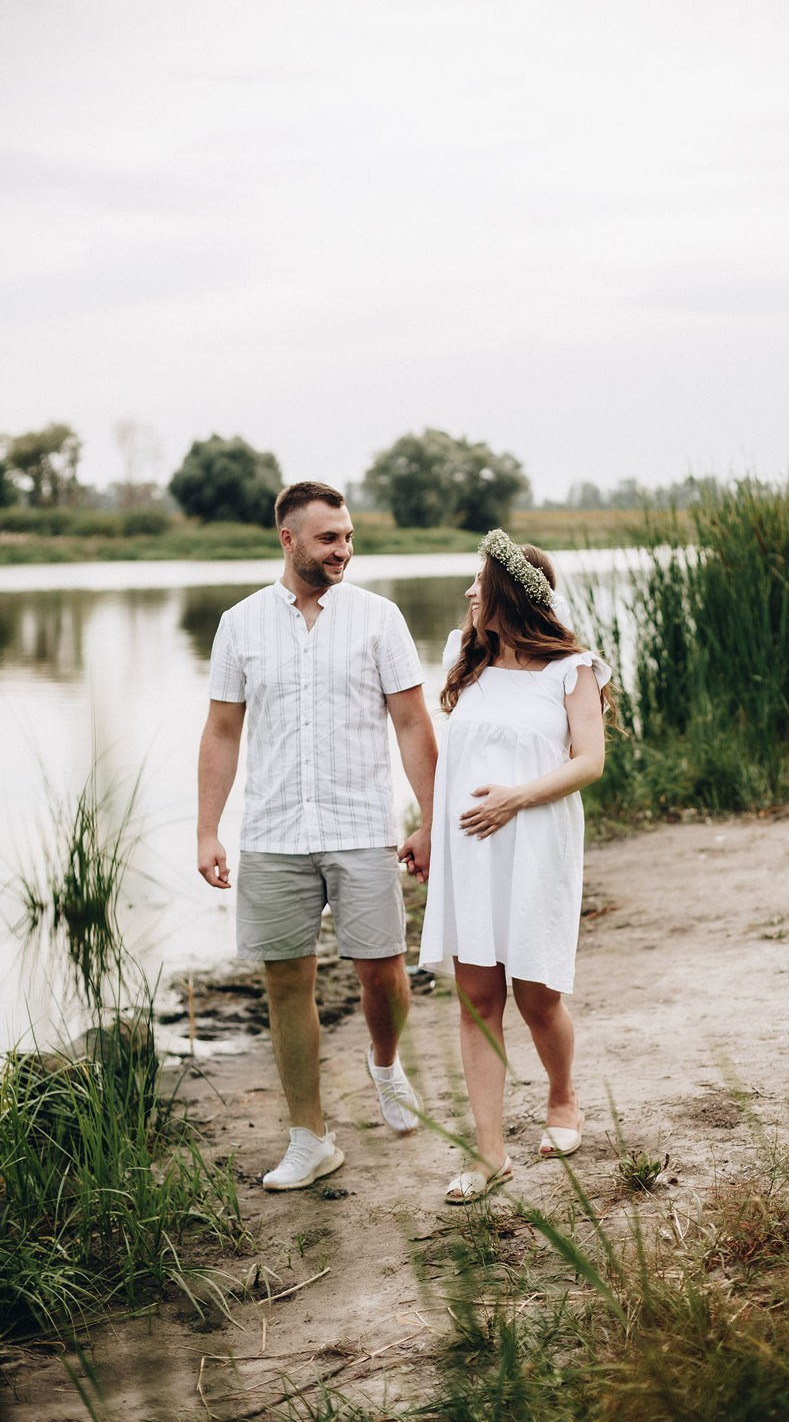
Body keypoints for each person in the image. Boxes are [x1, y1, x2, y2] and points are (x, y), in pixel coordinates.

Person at [197, 481, 437, 1191]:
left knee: (382, 969)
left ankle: (385, 1063)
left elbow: (414, 723)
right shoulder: (239, 624)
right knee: (284, 983)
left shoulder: (379, 619)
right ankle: (310, 1137)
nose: (344, 549)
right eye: (330, 538)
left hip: (360, 823)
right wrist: (208, 829)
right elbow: (220, 730)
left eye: (349, 536)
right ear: (288, 539)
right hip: (272, 832)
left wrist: (429, 819)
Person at [419, 528, 613, 1203]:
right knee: (477, 1000)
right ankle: (489, 1154)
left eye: (479, 583)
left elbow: (589, 762)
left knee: (537, 997)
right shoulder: (462, 658)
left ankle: (563, 1099)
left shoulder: (573, 669)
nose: (469, 592)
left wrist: (514, 800)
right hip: (471, 850)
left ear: (507, 595)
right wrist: (431, 829)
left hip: (534, 844)